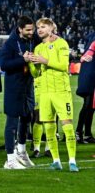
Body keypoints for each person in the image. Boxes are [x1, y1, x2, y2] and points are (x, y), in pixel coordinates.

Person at [29, 18, 78, 172]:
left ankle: (72, 161)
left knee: (67, 127)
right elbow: (35, 74)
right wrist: (31, 62)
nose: (39, 30)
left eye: (43, 27)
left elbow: (64, 66)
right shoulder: (37, 48)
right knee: (49, 127)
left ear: (51, 28)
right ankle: (56, 161)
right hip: (44, 92)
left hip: (61, 92)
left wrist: (45, 60)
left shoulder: (61, 43)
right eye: (38, 28)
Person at [0, 15, 36, 169]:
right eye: (28, 30)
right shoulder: (10, 44)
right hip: (14, 88)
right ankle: (10, 159)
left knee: (26, 119)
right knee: (12, 123)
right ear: (20, 29)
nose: (31, 32)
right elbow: (4, 65)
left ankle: (21, 151)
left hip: (28, 87)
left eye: (32, 29)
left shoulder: (33, 40)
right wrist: (23, 60)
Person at [76, 33, 95, 143]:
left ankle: (87, 133)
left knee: (90, 106)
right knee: (88, 105)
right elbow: (87, 54)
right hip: (89, 77)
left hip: (88, 75)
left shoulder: (91, 37)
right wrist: (84, 57)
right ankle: (79, 132)